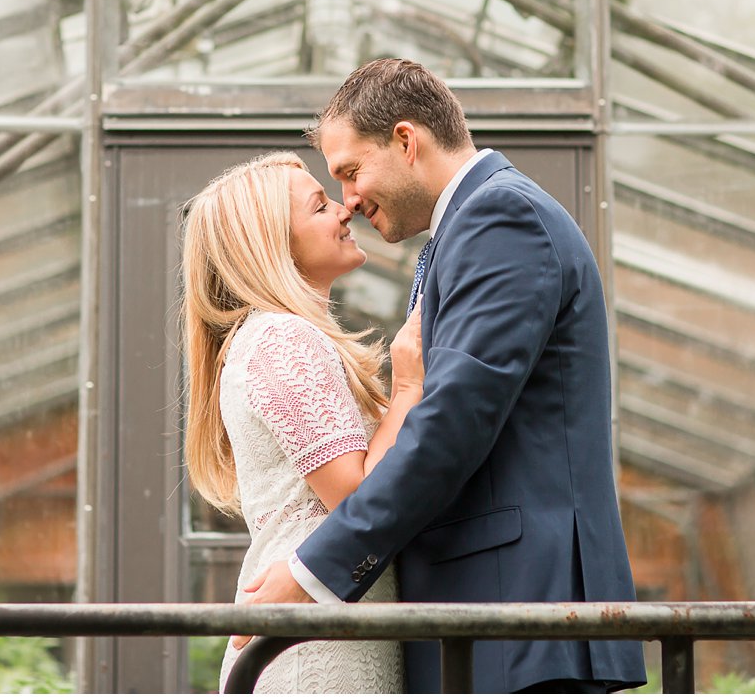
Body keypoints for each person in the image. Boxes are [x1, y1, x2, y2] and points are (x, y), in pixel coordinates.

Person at [236, 59, 648, 694]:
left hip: (518, 622)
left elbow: (449, 426)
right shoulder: (469, 229)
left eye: (350, 172)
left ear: (406, 141)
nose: (348, 200)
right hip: (490, 621)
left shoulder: (499, 219)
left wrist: (313, 572)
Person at [182, 151, 423, 693]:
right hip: (314, 653)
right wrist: (408, 387)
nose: (344, 211)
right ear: (272, 245)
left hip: (325, 629)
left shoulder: (271, 337)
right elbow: (356, 497)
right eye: (319, 207)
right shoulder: (282, 339)